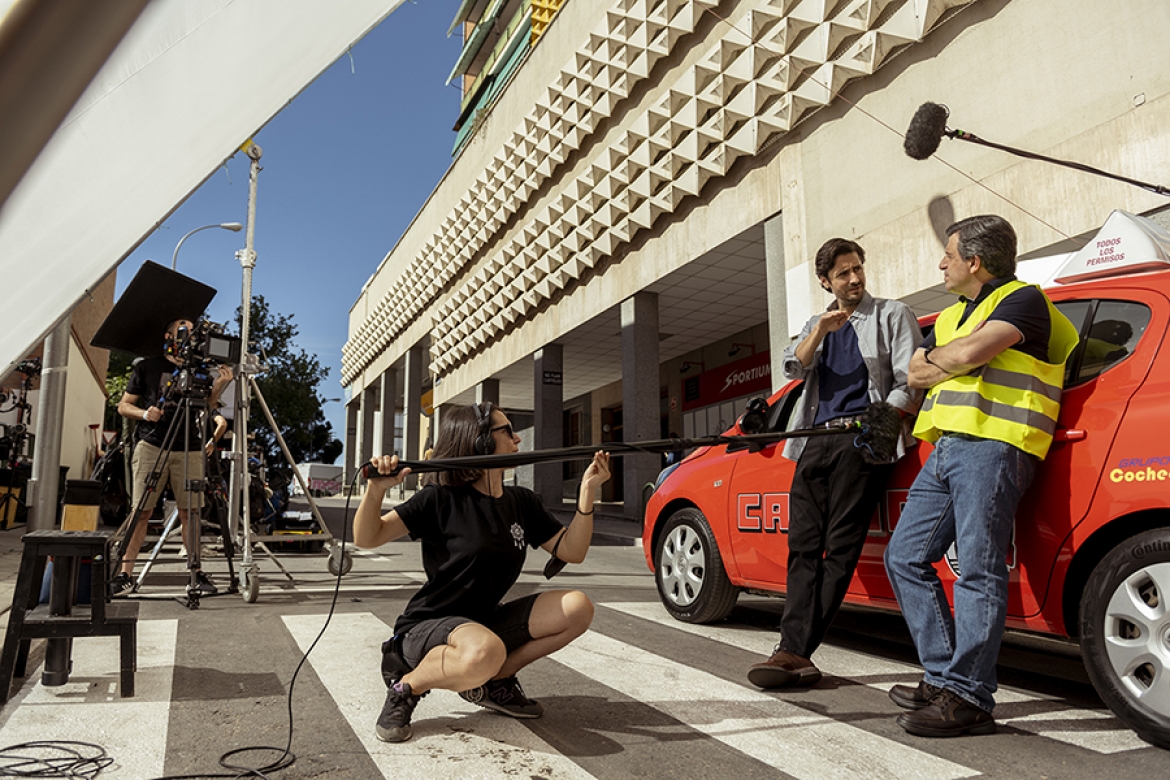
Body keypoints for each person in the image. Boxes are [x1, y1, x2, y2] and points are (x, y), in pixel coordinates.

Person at [884, 215, 1079, 737]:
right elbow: (915, 371)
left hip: (997, 447)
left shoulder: (1023, 300)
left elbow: (965, 355)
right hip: (948, 448)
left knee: (978, 570)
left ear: (974, 261)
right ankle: (944, 676)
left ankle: (969, 696)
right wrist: (938, 363)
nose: (941, 263)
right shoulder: (952, 315)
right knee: (902, 556)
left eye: (949, 255)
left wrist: (940, 362)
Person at [355, 402, 611, 743]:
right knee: (483, 650)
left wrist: (587, 492)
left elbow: (571, 551)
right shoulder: (440, 498)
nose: (518, 439)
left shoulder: (522, 501)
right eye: (507, 430)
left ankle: (494, 679)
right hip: (428, 628)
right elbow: (367, 537)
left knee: (577, 607)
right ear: (479, 442)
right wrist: (376, 490)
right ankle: (406, 687)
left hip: (483, 625)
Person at [747, 238, 922, 688]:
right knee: (802, 546)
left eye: (858, 268)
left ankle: (794, 649)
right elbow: (792, 368)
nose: (854, 278)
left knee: (839, 549)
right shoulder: (817, 323)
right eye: (843, 273)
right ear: (826, 281)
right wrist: (820, 331)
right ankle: (793, 648)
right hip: (812, 442)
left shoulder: (891, 314)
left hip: (860, 437)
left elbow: (909, 381)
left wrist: (879, 430)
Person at [111, 319, 233, 597]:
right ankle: (124, 574)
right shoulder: (147, 367)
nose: (190, 333)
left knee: (191, 511)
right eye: (183, 328)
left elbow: (210, 406)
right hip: (152, 443)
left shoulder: (203, 370)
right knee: (141, 511)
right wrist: (145, 414)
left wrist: (219, 388)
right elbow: (123, 406)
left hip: (189, 446)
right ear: (169, 335)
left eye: (193, 329)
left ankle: (195, 572)